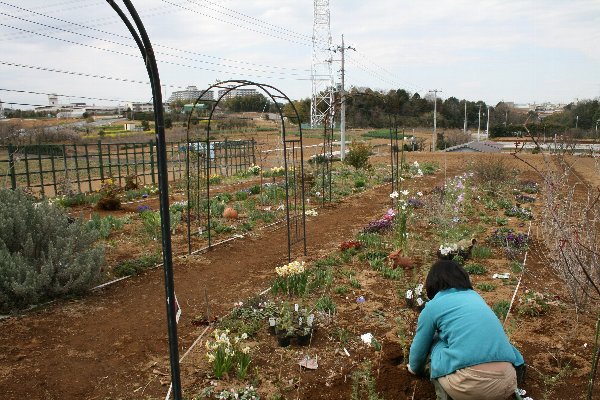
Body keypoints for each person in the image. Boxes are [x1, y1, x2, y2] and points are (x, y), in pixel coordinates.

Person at [407, 259, 525, 400]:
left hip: (470, 387)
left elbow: (419, 348)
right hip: (508, 381)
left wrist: (414, 368)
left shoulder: (433, 306)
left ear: (432, 283)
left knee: (435, 342)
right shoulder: (476, 297)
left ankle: (444, 396)